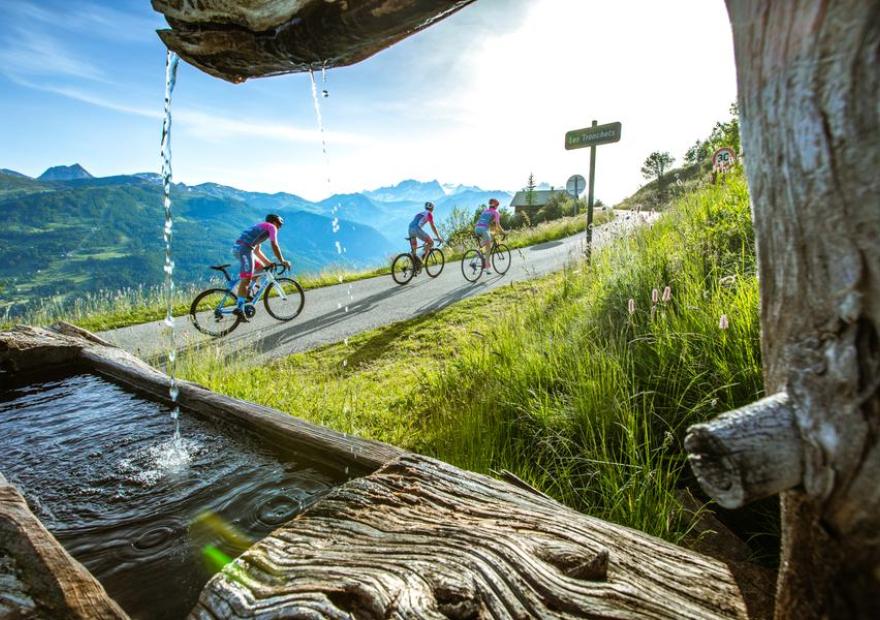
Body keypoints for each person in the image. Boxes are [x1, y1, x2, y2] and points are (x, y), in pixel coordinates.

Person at [231, 214, 291, 321]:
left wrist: (268, 263)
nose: (279, 228)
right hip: (244, 250)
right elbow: (274, 245)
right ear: (274, 222)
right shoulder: (271, 227)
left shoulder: (261, 227)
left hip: (241, 249)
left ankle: (248, 293)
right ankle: (240, 308)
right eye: (279, 225)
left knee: (261, 269)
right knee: (246, 279)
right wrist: (282, 260)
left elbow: (257, 251)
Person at [408, 201, 443, 270]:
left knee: (414, 250)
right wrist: (438, 236)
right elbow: (433, 226)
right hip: (416, 229)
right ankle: (419, 256)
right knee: (431, 243)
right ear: (432, 209)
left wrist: (424, 238)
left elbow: (417, 224)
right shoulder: (429, 214)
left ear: (425, 207)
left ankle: (414, 267)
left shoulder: (419, 214)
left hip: (410, 229)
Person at [474, 198, 507, 269]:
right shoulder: (496, 212)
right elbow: (498, 225)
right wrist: (503, 232)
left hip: (477, 228)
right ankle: (487, 266)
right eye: (497, 205)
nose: (497, 207)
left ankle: (477, 252)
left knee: (486, 240)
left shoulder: (485, 211)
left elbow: (486, 222)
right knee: (488, 247)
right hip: (483, 229)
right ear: (496, 206)